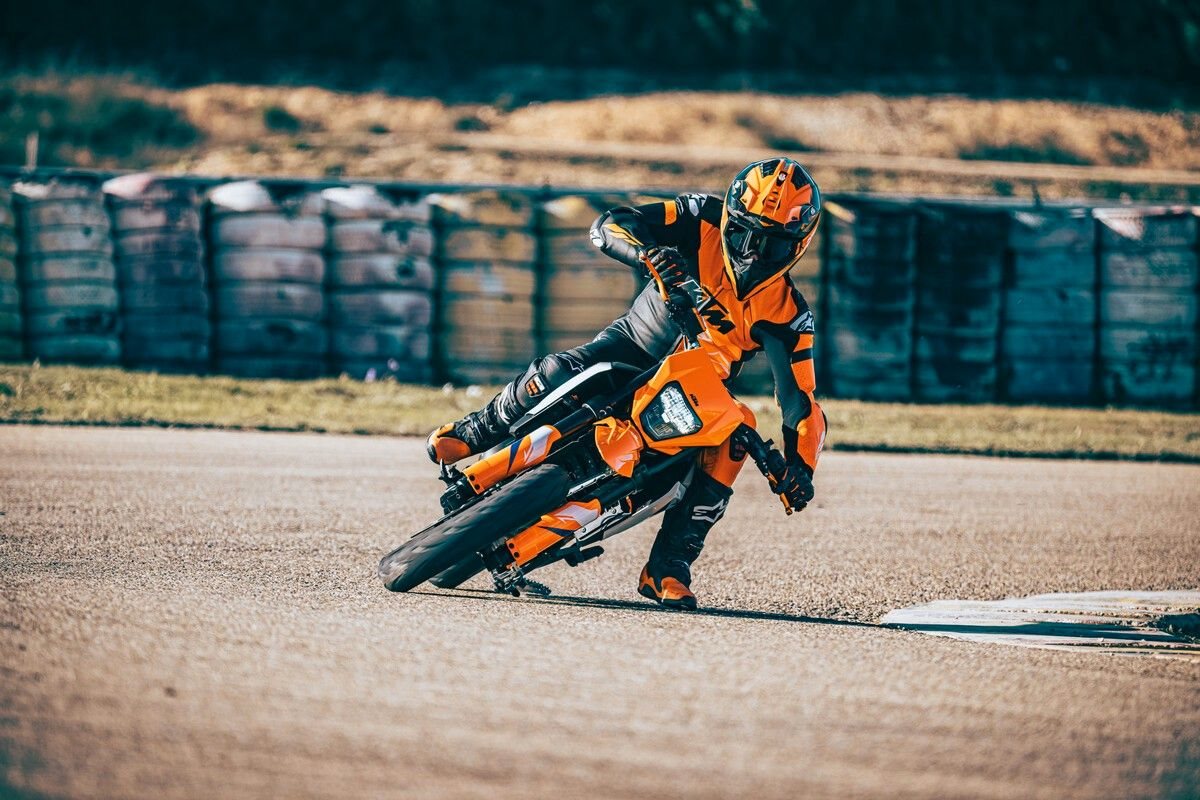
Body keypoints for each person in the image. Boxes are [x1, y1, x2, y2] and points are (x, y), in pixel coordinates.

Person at [427, 157, 827, 610]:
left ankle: (668, 566)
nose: (751, 252)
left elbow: (800, 401)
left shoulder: (790, 314)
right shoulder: (700, 216)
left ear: (798, 245)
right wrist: (647, 253)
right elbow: (610, 223)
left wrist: (800, 470)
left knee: (732, 445)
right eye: (742, 234)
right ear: (728, 219)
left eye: (770, 245)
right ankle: (473, 432)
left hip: (695, 388)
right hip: (632, 347)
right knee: (559, 370)